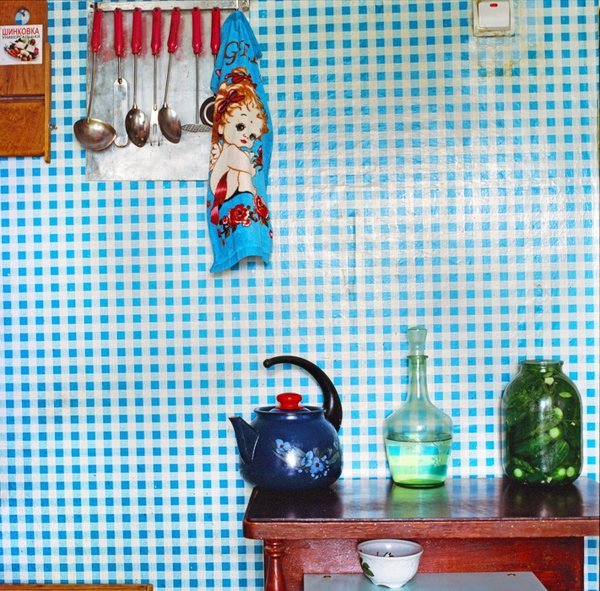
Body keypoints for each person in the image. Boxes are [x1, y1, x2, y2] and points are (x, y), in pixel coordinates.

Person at [208, 67, 269, 225]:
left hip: (226, 192)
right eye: (240, 126)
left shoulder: (232, 152)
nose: (246, 137)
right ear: (221, 126)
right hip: (223, 189)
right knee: (245, 171)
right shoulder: (233, 151)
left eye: (252, 136)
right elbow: (247, 167)